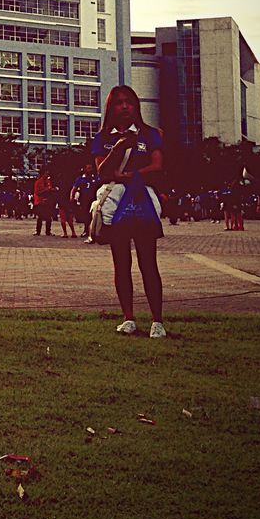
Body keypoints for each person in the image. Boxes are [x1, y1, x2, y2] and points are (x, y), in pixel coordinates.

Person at [92, 85, 166, 339]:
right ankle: (128, 318)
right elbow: (102, 171)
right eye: (118, 103)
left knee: (149, 263)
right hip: (116, 204)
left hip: (143, 199)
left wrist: (133, 175)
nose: (124, 107)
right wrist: (118, 148)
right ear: (110, 108)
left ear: (136, 106)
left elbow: (157, 165)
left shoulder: (150, 134)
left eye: (129, 102)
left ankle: (157, 320)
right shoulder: (103, 137)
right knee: (121, 263)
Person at [70, 164, 98, 243]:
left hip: (93, 199)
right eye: (88, 168)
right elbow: (74, 188)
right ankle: (86, 230)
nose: (90, 169)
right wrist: (72, 196)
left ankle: (93, 231)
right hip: (84, 200)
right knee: (86, 216)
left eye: (91, 168)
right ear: (85, 169)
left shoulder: (95, 178)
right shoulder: (80, 179)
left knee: (93, 215)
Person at [33, 171, 56, 236]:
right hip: (40, 201)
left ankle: (48, 231)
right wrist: (46, 190)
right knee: (40, 217)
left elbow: (50, 190)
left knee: (48, 217)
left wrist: (52, 190)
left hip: (48, 201)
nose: (47, 175)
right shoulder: (38, 182)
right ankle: (38, 231)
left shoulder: (48, 181)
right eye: (46, 173)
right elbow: (37, 192)